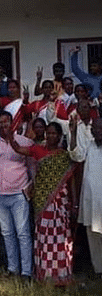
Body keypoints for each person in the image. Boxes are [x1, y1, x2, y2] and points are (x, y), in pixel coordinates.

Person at [10, 121, 77, 285]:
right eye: (49, 133)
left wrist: (75, 203)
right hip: (42, 201)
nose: (51, 136)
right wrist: (11, 135)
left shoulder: (64, 155)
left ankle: (61, 274)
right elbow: (18, 149)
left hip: (60, 202)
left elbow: (71, 180)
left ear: (60, 136)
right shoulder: (37, 150)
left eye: (54, 133)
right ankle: (44, 274)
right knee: (44, 237)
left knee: (60, 237)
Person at [0, 111, 34, 282]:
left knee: (23, 234)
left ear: (12, 123)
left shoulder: (25, 142)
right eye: (0, 123)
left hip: (19, 193)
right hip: (0, 194)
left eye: (6, 122)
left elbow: (32, 167)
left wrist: (31, 188)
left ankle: (26, 271)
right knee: (7, 233)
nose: (3, 125)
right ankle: (12, 268)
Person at [69, 117, 102, 280]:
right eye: (95, 129)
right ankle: (98, 270)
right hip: (91, 201)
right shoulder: (89, 146)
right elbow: (75, 154)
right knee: (93, 237)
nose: (98, 131)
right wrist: (73, 132)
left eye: (100, 128)